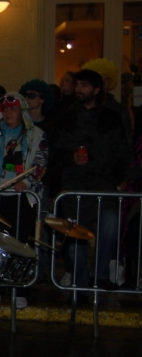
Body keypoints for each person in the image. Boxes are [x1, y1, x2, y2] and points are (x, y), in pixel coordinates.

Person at [52, 69, 130, 289]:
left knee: (110, 221)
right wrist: (71, 157)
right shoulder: (66, 117)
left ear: (96, 90)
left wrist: (118, 177)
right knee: (75, 235)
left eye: (84, 85)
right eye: (77, 84)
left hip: (103, 183)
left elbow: (122, 151)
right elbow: (55, 150)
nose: (79, 89)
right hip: (74, 184)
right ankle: (80, 283)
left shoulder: (111, 117)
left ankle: (100, 273)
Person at [0, 92, 49, 308]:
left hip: (22, 198)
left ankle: (19, 288)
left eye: (13, 109)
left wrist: (26, 182)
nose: (8, 113)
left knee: (21, 244)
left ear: (22, 112)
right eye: (5, 110)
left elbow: (41, 164)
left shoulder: (36, 135)